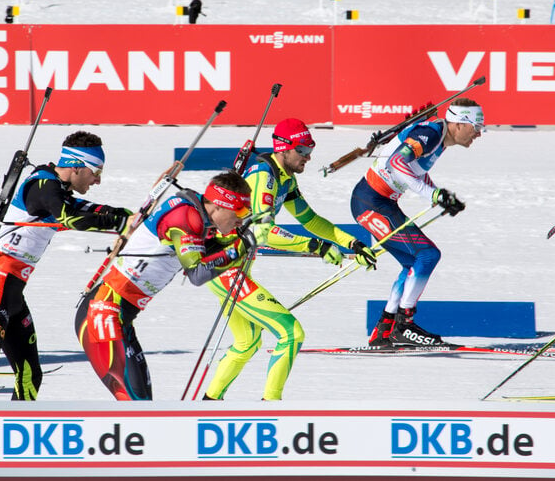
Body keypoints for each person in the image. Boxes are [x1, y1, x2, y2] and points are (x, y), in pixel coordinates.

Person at [0, 131, 132, 401]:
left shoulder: (57, 189)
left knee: (30, 375)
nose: (98, 180)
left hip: (13, 294)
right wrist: (119, 224)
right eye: (95, 171)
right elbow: (70, 217)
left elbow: (92, 209)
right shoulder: (42, 186)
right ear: (77, 165)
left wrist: (131, 217)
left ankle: (14, 431)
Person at [203, 119, 377, 401]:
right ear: (283, 148)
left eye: (311, 149)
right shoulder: (264, 177)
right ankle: (271, 408)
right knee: (291, 333)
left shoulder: (285, 178)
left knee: (247, 342)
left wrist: (351, 243)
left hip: (231, 268)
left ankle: (209, 405)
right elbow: (264, 232)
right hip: (225, 269)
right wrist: (316, 247)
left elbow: (310, 220)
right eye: (303, 150)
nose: (308, 156)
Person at [75, 171, 253, 401]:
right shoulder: (188, 217)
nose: (241, 218)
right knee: (136, 406)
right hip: (103, 313)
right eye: (239, 211)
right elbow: (197, 274)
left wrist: (238, 242)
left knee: (143, 406)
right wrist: (238, 248)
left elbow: (209, 251)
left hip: (119, 316)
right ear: (219, 205)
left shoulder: (197, 214)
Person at [352, 98, 483, 347]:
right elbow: (397, 163)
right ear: (459, 123)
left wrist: (440, 196)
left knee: (413, 263)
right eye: (476, 126)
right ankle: (404, 325)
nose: (478, 133)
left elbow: (415, 169)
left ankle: (385, 330)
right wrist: (433, 195)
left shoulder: (440, 137)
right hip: (370, 203)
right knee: (427, 256)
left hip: (381, 203)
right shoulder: (431, 133)